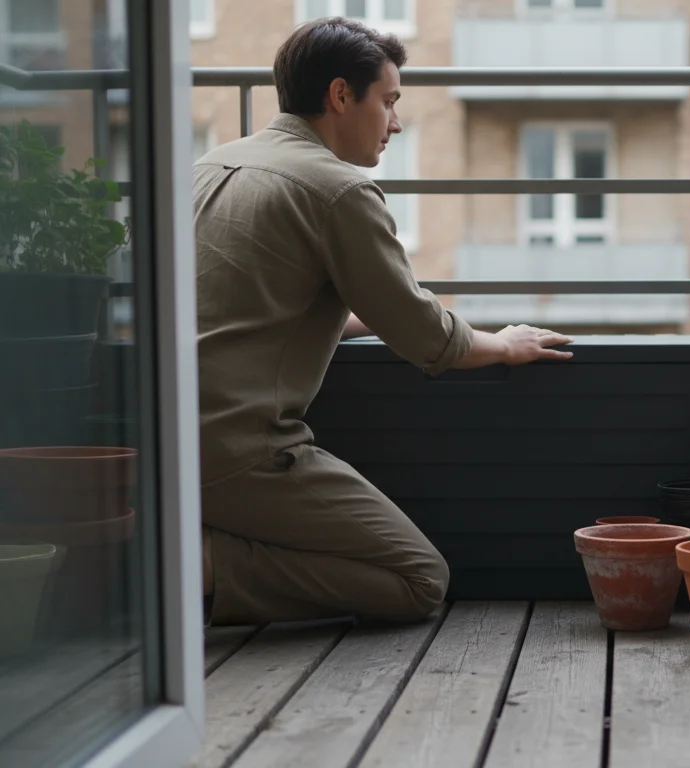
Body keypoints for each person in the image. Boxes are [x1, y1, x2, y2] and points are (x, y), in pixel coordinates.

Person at [193, 18, 572, 626]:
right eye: (389, 101)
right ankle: (201, 569)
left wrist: (375, 316)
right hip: (238, 453)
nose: (395, 122)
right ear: (341, 96)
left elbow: (259, 306)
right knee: (419, 579)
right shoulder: (338, 189)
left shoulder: (212, 164)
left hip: (162, 439)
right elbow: (431, 340)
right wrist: (500, 345)